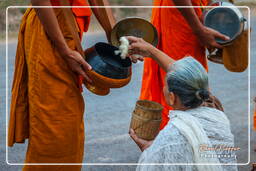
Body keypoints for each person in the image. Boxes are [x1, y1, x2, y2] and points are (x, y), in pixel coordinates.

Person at [8, 0, 115, 170]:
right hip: (50, 32)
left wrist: (115, 35)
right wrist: (64, 50)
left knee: (68, 124)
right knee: (55, 126)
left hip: (66, 30)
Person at [127, 36, 237, 171]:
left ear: (172, 98)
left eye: (166, 85)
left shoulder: (171, 135)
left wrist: (148, 150)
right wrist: (151, 50)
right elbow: (188, 77)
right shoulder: (218, 116)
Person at [140, 0, 230, 129]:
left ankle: (187, 133)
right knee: (183, 82)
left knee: (187, 82)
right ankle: (179, 134)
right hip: (180, 15)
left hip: (191, 11)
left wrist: (210, 11)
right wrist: (199, 29)